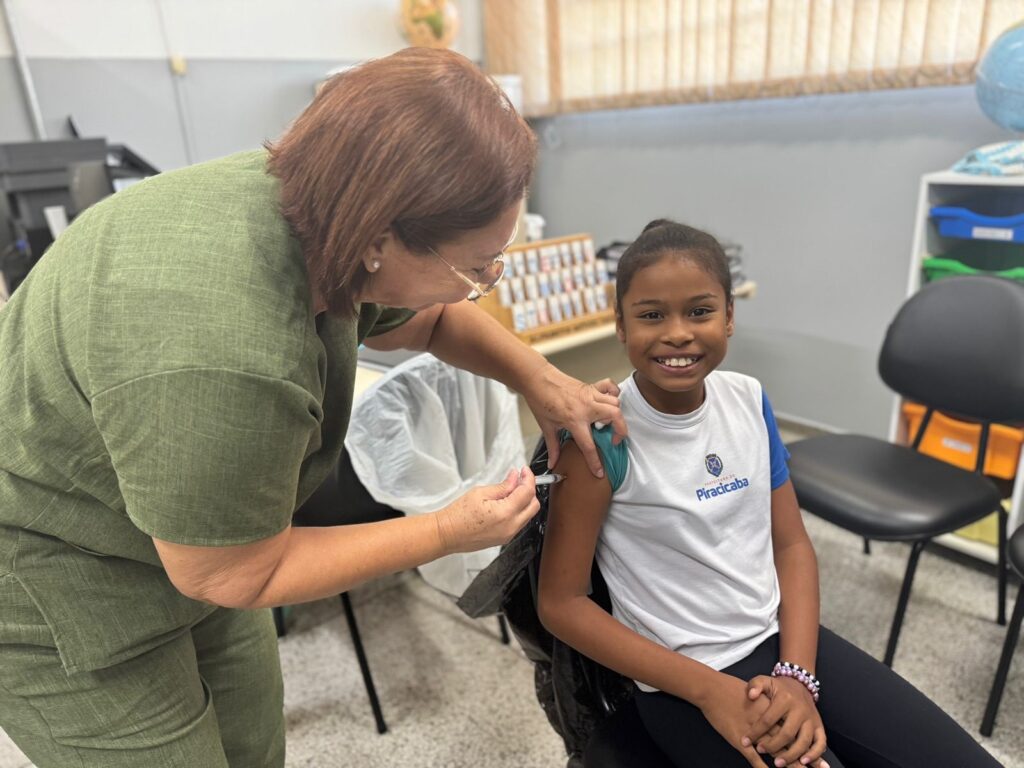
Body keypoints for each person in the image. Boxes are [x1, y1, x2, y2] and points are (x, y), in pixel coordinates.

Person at [0, 48, 627, 768]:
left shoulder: (319, 207)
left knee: (251, 745)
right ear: (376, 240)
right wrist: (447, 528)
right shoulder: (227, 350)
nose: (479, 285)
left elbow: (424, 318)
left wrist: (541, 381)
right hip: (53, 573)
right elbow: (232, 574)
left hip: (193, 537)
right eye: (472, 268)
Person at [536, 219, 1003, 768]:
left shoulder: (748, 400)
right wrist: (711, 691)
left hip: (783, 643)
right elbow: (561, 603)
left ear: (730, 317)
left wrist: (798, 677)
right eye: (651, 315)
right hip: (685, 681)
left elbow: (791, 546)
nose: (678, 333)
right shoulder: (604, 438)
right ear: (620, 325)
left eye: (701, 311)